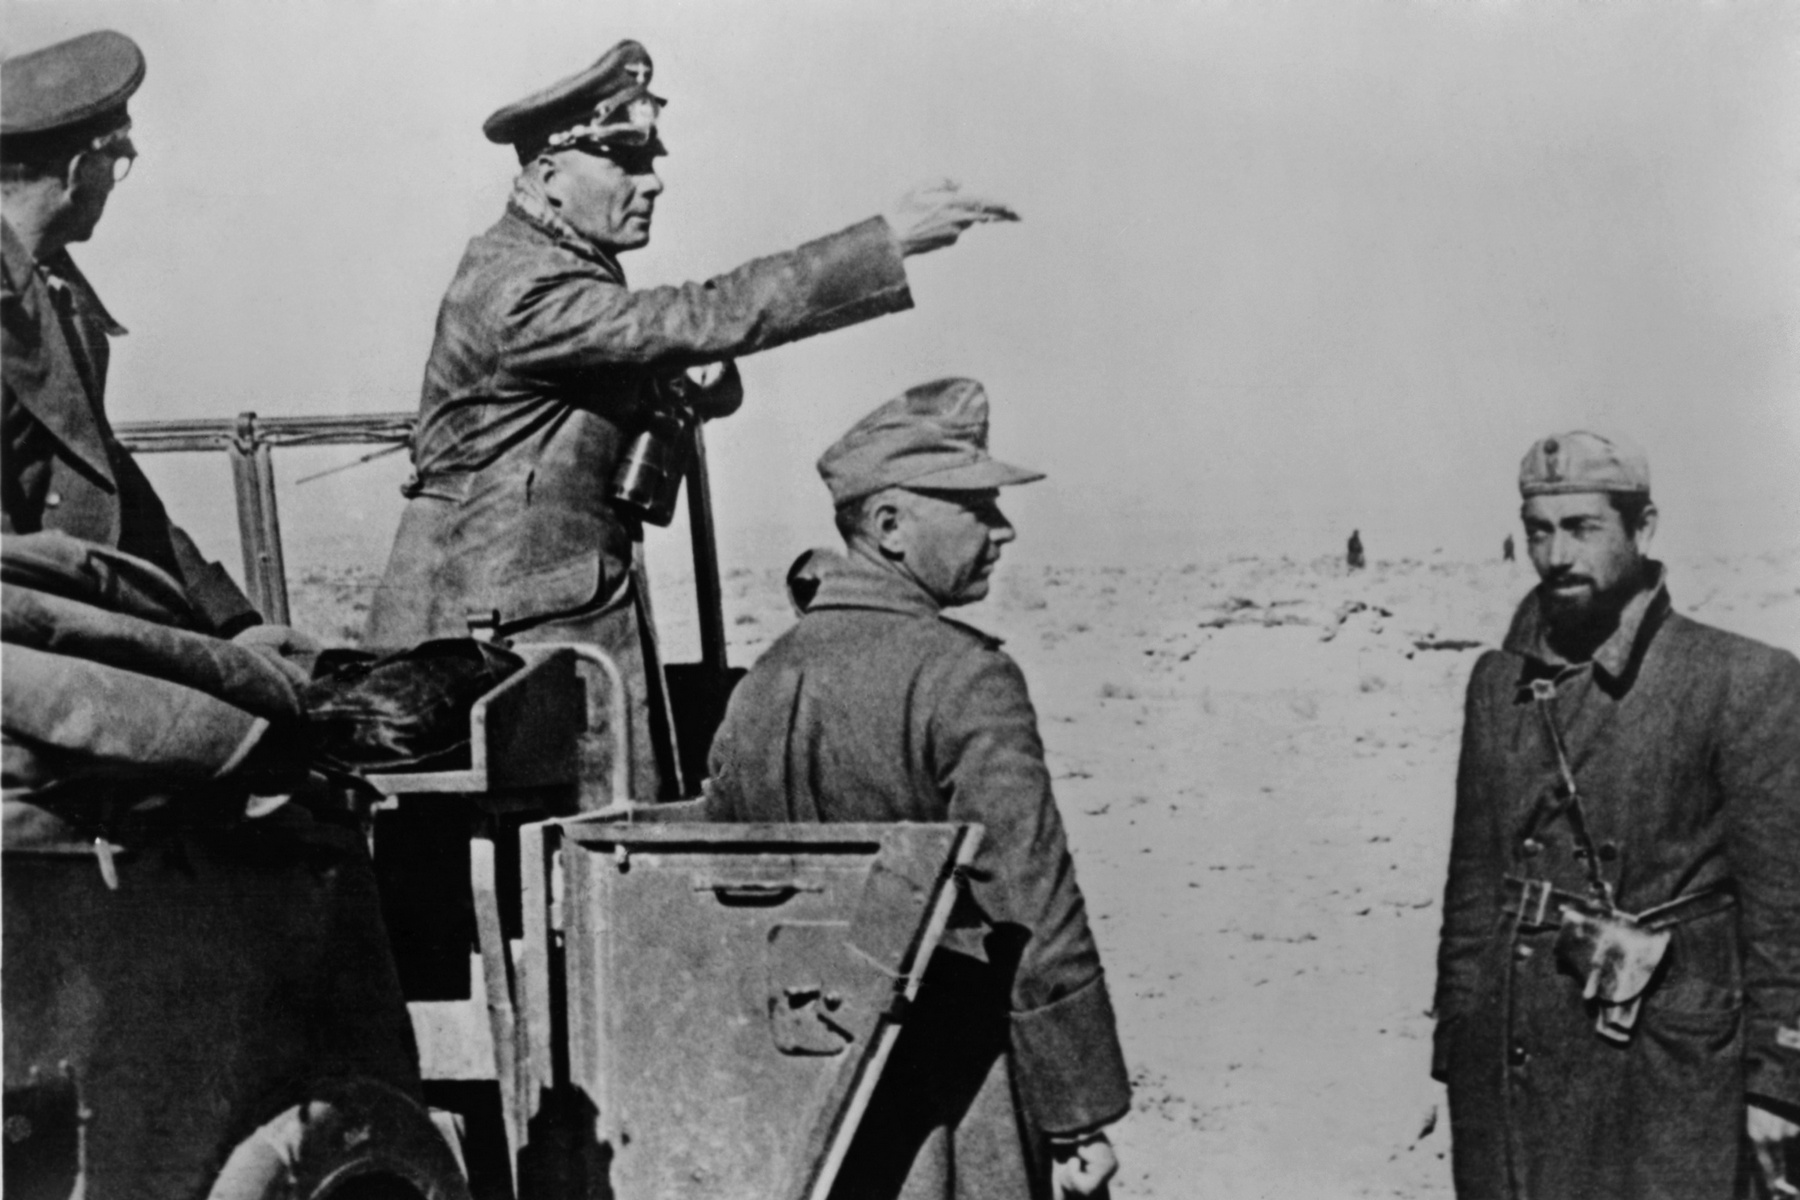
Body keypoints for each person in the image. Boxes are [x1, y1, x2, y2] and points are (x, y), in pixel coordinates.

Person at [364, 39, 1019, 800]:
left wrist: (690, 372)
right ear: (548, 178)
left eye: (650, 160)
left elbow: (664, 352)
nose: (653, 182)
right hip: (495, 640)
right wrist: (885, 243)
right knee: (570, 847)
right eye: (625, 161)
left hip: (534, 623)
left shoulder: (556, 269)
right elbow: (704, 314)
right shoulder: (524, 289)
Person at [704, 378, 1129, 1200]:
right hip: (954, 1094)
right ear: (890, 526)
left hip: (797, 1095)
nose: (1003, 529)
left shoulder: (763, 679)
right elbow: (1033, 906)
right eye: (975, 505)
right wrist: (1078, 1114)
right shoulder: (965, 678)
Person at [1432, 430, 1800, 1200]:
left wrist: (1779, 1085)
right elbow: (1473, 886)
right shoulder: (1496, 682)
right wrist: (1458, 1049)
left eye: (1582, 528)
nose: (1557, 555)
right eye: (1539, 531)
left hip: (1667, 1064)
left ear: (1643, 527)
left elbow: (1784, 909)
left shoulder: (1744, 679)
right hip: (1512, 1055)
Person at [1, 30, 265, 639]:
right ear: (76, 172)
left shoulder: (56, 294)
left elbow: (109, 478)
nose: (114, 183)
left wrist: (234, 624)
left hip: (67, 615)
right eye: (117, 163)